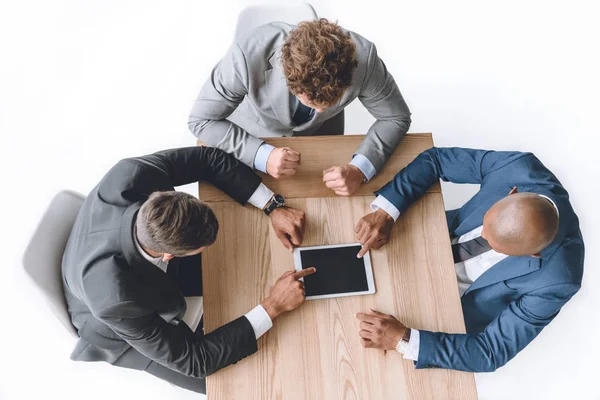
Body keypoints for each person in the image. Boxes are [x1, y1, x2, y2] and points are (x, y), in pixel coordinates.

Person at [61, 146, 315, 393]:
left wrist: (272, 205)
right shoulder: (116, 301)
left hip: (118, 257)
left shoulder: (133, 173)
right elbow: (194, 361)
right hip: (112, 325)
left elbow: (207, 158)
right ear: (170, 255)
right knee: (242, 385)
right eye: (205, 247)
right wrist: (273, 306)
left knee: (249, 268)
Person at [353, 147, 584, 372]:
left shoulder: (559, 279)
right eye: (486, 224)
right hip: (413, 244)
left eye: (494, 245)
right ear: (512, 193)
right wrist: (386, 212)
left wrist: (402, 339)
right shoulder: (518, 167)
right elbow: (436, 160)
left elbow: (491, 351)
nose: (481, 236)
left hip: (439, 312)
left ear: (533, 254)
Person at [188, 18, 411, 196]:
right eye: (314, 103)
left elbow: (395, 117)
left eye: (332, 102)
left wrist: (361, 169)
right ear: (289, 79)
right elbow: (201, 120)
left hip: (321, 144)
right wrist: (261, 155)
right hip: (251, 137)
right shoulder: (244, 56)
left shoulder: (365, 58)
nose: (322, 111)